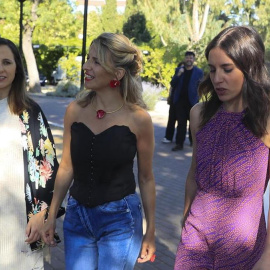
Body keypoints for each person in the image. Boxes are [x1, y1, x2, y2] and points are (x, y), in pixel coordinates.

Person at [41, 32, 156, 270]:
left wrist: (150, 230)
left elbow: (146, 178)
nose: (86, 66)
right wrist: (52, 214)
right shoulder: (75, 110)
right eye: (88, 59)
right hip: (77, 218)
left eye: (95, 61)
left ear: (118, 73)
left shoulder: (139, 118)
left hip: (120, 219)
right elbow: (66, 167)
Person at [174, 26, 270, 270]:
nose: (217, 78)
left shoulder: (266, 120)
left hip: (243, 249)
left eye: (227, 69)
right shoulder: (199, 114)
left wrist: (267, 257)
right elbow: (194, 176)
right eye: (212, 69)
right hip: (195, 242)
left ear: (249, 68)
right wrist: (185, 225)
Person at [0, 38, 60, 269]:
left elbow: (47, 165)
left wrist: (40, 213)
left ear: (17, 68)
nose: (1, 69)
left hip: (19, 220)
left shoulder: (29, 113)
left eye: (6, 62)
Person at [163, 51, 203, 151]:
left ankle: (192, 141)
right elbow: (173, 84)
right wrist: (178, 75)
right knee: (181, 123)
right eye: (187, 57)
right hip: (180, 101)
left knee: (193, 123)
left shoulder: (199, 72)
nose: (189, 59)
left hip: (192, 101)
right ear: (185, 59)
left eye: (191, 58)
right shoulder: (179, 70)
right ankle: (179, 144)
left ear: (193, 60)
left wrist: (198, 97)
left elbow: (201, 85)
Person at [162, 62, 184, 145]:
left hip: (182, 102)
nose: (182, 69)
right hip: (174, 100)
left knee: (182, 122)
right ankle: (168, 137)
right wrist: (169, 96)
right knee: (171, 119)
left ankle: (182, 140)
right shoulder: (177, 75)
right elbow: (172, 85)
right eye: (181, 67)